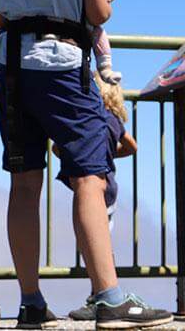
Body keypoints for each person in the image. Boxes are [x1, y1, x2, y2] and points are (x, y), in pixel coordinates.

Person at [0, 0, 172, 329]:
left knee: (24, 183)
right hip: (63, 69)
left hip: (12, 70)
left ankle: (30, 301)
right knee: (89, 176)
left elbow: (0, 16)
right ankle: (108, 298)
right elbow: (98, 14)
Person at [64, 74, 136, 322]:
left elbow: (57, 148)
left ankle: (100, 294)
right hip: (108, 188)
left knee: (94, 242)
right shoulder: (114, 121)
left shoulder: (87, 119)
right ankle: (102, 292)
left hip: (96, 190)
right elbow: (132, 147)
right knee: (101, 240)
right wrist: (107, 153)